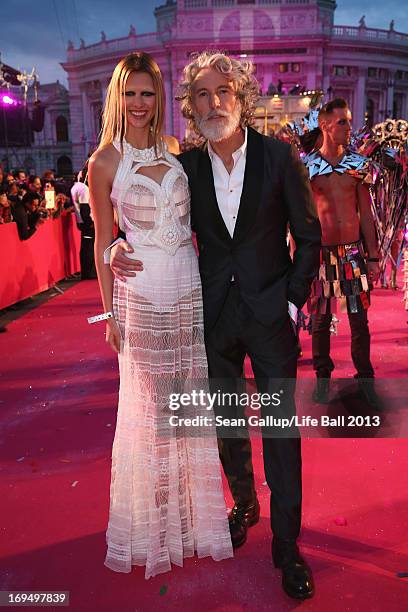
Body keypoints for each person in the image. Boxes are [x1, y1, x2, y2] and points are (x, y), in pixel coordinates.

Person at [109, 51, 321, 600]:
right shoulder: (189, 168)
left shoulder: (280, 157)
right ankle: (244, 502)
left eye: (221, 92)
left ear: (241, 96)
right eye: (201, 95)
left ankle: (285, 544)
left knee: (279, 432)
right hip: (214, 320)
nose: (212, 103)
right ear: (190, 106)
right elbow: (146, 216)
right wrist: (112, 244)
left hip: (272, 319)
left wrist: (293, 303)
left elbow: (309, 236)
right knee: (228, 426)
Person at [88, 51, 233, 580]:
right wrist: (109, 314)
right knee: (150, 412)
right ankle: (150, 528)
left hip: (187, 287)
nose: (140, 104)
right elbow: (104, 240)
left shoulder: (175, 150)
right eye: (130, 94)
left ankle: (192, 523)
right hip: (142, 294)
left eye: (148, 94)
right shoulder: (105, 161)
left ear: (159, 98)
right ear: (117, 97)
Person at [303, 98, 380, 407]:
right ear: (325, 126)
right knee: (320, 320)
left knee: (360, 320)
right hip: (320, 255)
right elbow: (302, 219)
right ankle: (323, 379)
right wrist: (299, 259)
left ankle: (365, 379)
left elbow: (366, 214)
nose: (349, 128)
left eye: (349, 121)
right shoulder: (308, 167)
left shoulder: (358, 165)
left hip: (352, 254)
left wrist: (373, 256)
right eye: (343, 122)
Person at [71, 162, 96, 279]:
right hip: (87, 223)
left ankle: (87, 272)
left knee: (86, 247)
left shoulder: (75, 188)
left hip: (82, 223)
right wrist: (89, 223)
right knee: (89, 248)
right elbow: (85, 208)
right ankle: (89, 273)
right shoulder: (83, 189)